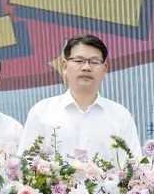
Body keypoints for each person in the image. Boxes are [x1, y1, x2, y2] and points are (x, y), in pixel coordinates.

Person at [19, 35, 140, 163]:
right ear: (64, 66)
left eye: (94, 62)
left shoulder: (120, 115)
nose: (86, 67)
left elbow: (134, 165)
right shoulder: (42, 111)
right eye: (79, 60)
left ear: (105, 68)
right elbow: (25, 164)